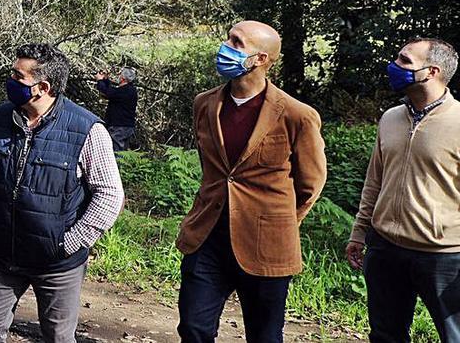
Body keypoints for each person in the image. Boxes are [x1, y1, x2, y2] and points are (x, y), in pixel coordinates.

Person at [175, 20, 327, 343]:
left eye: (236, 42)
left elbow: (311, 183)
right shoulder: (205, 104)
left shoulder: (296, 115)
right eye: (228, 37)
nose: (225, 46)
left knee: (264, 336)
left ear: (260, 59)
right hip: (208, 237)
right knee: (193, 328)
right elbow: (213, 169)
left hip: (267, 245)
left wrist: (280, 222)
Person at [0, 43, 124, 343]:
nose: (10, 81)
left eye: (18, 76)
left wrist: (69, 242)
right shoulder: (3, 117)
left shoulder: (87, 129)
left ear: (42, 87)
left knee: (57, 336)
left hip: (57, 264)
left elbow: (109, 194)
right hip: (4, 254)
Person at [346, 38, 460, 342]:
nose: (394, 66)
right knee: (385, 335)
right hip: (384, 249)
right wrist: (360, 232)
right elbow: (374, 180)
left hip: (444, 256)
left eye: (404, 60)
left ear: (432, 71)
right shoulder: (390, 118)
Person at [94, 67, 139, 151]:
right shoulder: (130, 90)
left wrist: (100, 80)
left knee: (116, 153)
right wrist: (105, 80)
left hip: (119, 127)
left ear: (122, 78)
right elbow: (111, 93)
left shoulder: (125, 91)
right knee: (123, 154)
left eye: (120, 75)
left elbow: (108, 93)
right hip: (126, 127)